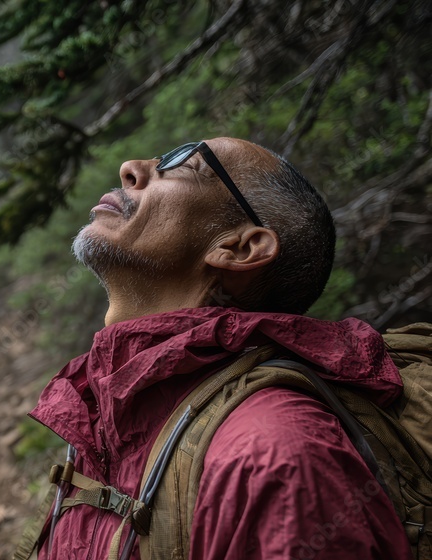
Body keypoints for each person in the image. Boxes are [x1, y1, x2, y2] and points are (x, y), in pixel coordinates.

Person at [29, 138, 411, 559]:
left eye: (184, 166)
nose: (130, 168)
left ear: (238, 249)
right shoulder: (110, 410)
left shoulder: (272, 456)